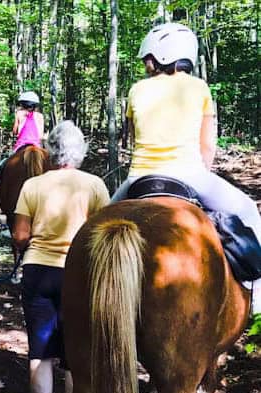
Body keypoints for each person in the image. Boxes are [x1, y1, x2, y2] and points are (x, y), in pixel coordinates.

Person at [111, 22, 261, 315]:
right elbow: (207, 146)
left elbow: (132, 138)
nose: (146, 64)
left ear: (161, 56)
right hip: (190, 175)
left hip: (139, 177)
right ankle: (258, 300)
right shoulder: (199, 88)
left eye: (148, 59)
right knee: (249, 212)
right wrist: (202, 173)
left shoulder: (136, 90)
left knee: (91, 229)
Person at [12, 121, 110, 393]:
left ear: (51, 150)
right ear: (80, 150)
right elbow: (104, 235)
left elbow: (21, 236)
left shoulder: (32, 186)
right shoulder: (95, 185)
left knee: (39, 354)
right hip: (78, 275)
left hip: (38, 272)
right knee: (75, 357)